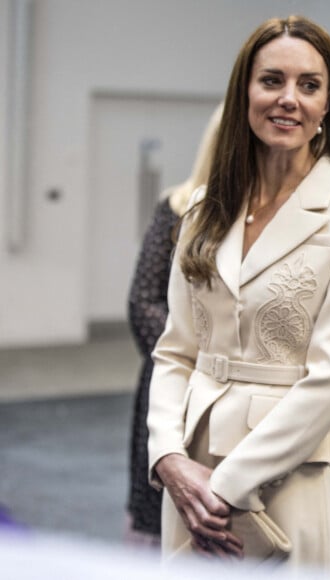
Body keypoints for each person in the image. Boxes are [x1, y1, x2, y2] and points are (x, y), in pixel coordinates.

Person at [146, 15, 330, 574]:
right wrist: (167, 459)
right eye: (271, 80)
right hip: (189, 472)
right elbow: (174, 351)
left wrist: (228, 487)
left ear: (328, 104)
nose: (289, 99)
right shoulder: (205, 207)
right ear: (245, 92)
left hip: (278, 477)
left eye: (309, 85)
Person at [125, 103, 223, 546]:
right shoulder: (177, 207)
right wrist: (195, 360)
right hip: (172, 381)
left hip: (234, 395)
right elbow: (143, 299)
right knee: (155, 511)